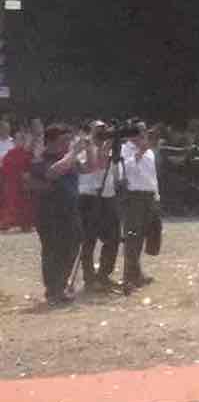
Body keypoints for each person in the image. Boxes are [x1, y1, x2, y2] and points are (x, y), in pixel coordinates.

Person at [29, 123, 86, 306]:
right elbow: (52, 173)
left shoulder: (68, 158)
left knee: (73, 246)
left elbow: (92, 167)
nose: (68, 143)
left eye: (69, 140)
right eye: (64, 140)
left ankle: (60, 285)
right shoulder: (41, 159)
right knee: (53, 251)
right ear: (52, 141)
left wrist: (97, 147)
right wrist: (74, 152)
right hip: (49, 215)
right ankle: (53, 290)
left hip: (70, 211)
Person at [73, 121, 119, 290]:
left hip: (108, 196)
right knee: (89, 240)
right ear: (90, 132)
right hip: (89, 197)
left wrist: (108, 146)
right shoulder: (83, 147)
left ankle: (104, 275)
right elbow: (94, 167)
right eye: (98, 131)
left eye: (104, 130)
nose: (102, 134)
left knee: (114, 237)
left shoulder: (110, 148)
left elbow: (112, 170)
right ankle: (89, 278)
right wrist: (98, 148)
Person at [117, 122, 159, 293]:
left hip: (149, 196)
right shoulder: (124, 149)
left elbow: (152, 175)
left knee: (145, 236)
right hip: (134, 196)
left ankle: (136, 272)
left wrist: (156, 195)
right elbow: (123, 171)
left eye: (144, 131)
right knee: (132, 237)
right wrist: (140, 152)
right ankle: (128, 277)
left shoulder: (149, 151)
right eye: (140, 132)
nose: (144, 135)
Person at [0, 126, 32, 232]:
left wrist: (27, 176)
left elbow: (30, 168)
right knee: (10, 203)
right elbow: (5, 168)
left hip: (23, 183)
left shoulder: (28, 154)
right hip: (11, 183)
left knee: (25, 204)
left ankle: (25, 224)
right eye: (16, 139)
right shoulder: (9, 154)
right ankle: (7, 222)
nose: (18, 141)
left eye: (20, 139)